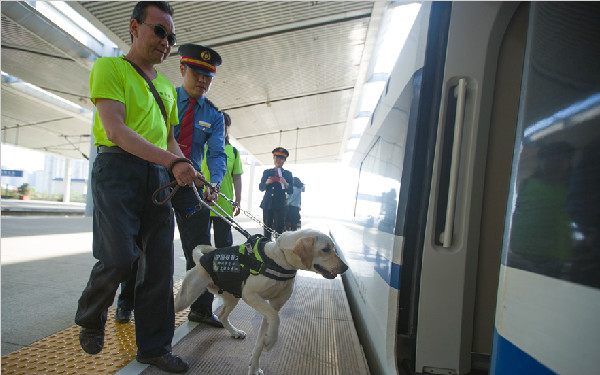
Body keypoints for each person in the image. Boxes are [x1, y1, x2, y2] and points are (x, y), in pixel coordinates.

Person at [75, 2, 196, 373]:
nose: (165, 42)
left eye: (171, 37)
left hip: (159, 177)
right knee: (119, 257)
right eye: (159, 31)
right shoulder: (110, 68)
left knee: (159, 269)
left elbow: (170, 141)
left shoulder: (166, 88)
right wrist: (170, 160)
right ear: (134, 27)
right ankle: (92, 313)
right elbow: (116, 130)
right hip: (118, 171)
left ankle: (155, 348)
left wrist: (182, 166)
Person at [114, 43, 228, 329]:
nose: (203, 81)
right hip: (157, 179)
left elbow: (216, 153)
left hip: (191, 187)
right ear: (182, 70)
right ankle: (126, 301)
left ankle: (201, 309)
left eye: (208, 76)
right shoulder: (164, 98)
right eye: (197, 73)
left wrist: (213, 183)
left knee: (201, 249)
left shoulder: (213, 116)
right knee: (143, 245)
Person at [201, 112, 243, 248]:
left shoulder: (233, 152)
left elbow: (237, 177)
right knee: (201, 244)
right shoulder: (201, 148)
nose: (223, 128)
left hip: (224, 204)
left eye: (226, 125)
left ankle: (222, 270)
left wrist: (238, 200)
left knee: (224, 245)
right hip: (202, 202)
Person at [259, 147, 293, 239]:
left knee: (279, 231)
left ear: (284, 161)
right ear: (273, 158)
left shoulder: (287, 174)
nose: (279, 160)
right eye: (277, 158)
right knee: (267, 230)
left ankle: (278, 249)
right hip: (268, 204)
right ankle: (266, 248)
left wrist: (286, 183)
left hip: (280, 205)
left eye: (281, 158)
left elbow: (291, 191)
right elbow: (261, 187)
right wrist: (267, 182)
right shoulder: (267, 172)